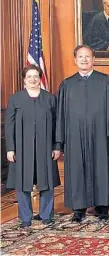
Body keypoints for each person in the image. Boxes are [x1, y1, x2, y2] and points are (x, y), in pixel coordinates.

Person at [56, 45, 109, 223]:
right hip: (74, 137)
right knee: (76, 170)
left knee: (101, 169)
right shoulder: (67, 85)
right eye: (81, 57)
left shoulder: (106, 82)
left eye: (88, 56)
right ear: (75, 60)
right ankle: (78, 208)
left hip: (100, 135)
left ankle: (102, 206)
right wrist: (59, 142)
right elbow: (60, 115)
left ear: (93, 59)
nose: (84, 60)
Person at [5, 65, 61, 228]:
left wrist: (57, 146)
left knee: (47, 181)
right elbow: (9, 125)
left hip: (46, 147)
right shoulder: (15, 99)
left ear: (40, 78)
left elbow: (57, 125)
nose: (32, 79)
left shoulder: (50, 99)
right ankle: (25, 217)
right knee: (23, 182)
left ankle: (46, 215)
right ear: (24, 79)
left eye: (36, 76)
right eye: (29, 76)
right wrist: (10, 148)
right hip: (22, 149)